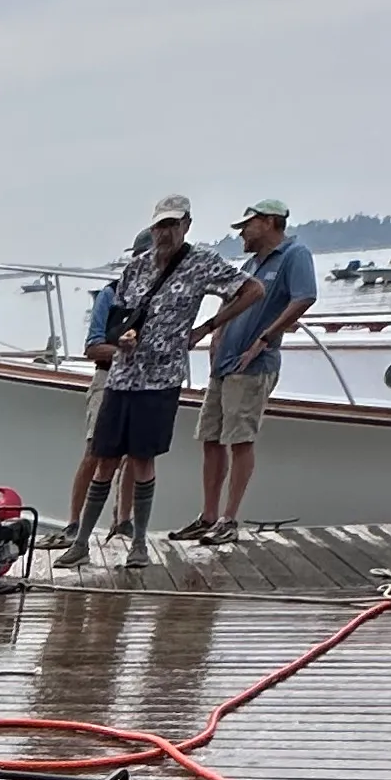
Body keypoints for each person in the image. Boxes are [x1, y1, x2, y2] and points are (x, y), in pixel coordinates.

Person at [58, 195, 241, 568]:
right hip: (122, 377)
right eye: (160, 225)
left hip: (160, 380)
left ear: (186, 224)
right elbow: (118, 321)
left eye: (172, 224)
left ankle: (139, 544)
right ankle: (80, 543)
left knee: (143, 460)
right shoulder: (135, 268)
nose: (165, 232)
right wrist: (121, 338)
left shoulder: (202, 263)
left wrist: (206, 327)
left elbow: (251, 289)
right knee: (105, 458)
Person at [178, 199, 316, 540]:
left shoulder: (294, 255)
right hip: (224, 364)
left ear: (269, 222)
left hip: (252, 366)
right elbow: (233, 299)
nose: (242, 233)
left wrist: (267, 337)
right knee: (211, 437)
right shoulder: (252, 263)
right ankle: (208, 516)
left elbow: (304, 297)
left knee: (240, 439)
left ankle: (229, 519)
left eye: (247, 226)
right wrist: (215, 333)